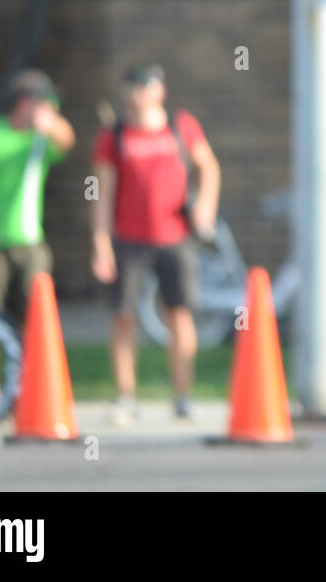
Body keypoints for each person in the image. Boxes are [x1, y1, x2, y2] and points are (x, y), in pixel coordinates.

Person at [91, 65, 221, 423]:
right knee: (123, 316)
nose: (139, 94)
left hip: (174, 236)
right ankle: (125, 396)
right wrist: (101, 243)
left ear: (159, 91)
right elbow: (103, 195)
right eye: (133, 87)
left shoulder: (180, 126)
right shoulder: (115, 135)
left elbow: (208, 167)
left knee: (179, 314)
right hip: (129, 238)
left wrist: (206, 207)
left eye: (146, 86)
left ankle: (182, 396)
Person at [0, 70, 75, 402]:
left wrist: (51, 126)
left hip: (30, 243)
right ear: (24, 103)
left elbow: (66, 139)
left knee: (37, 319)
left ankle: (32, 390)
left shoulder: (40, 138)